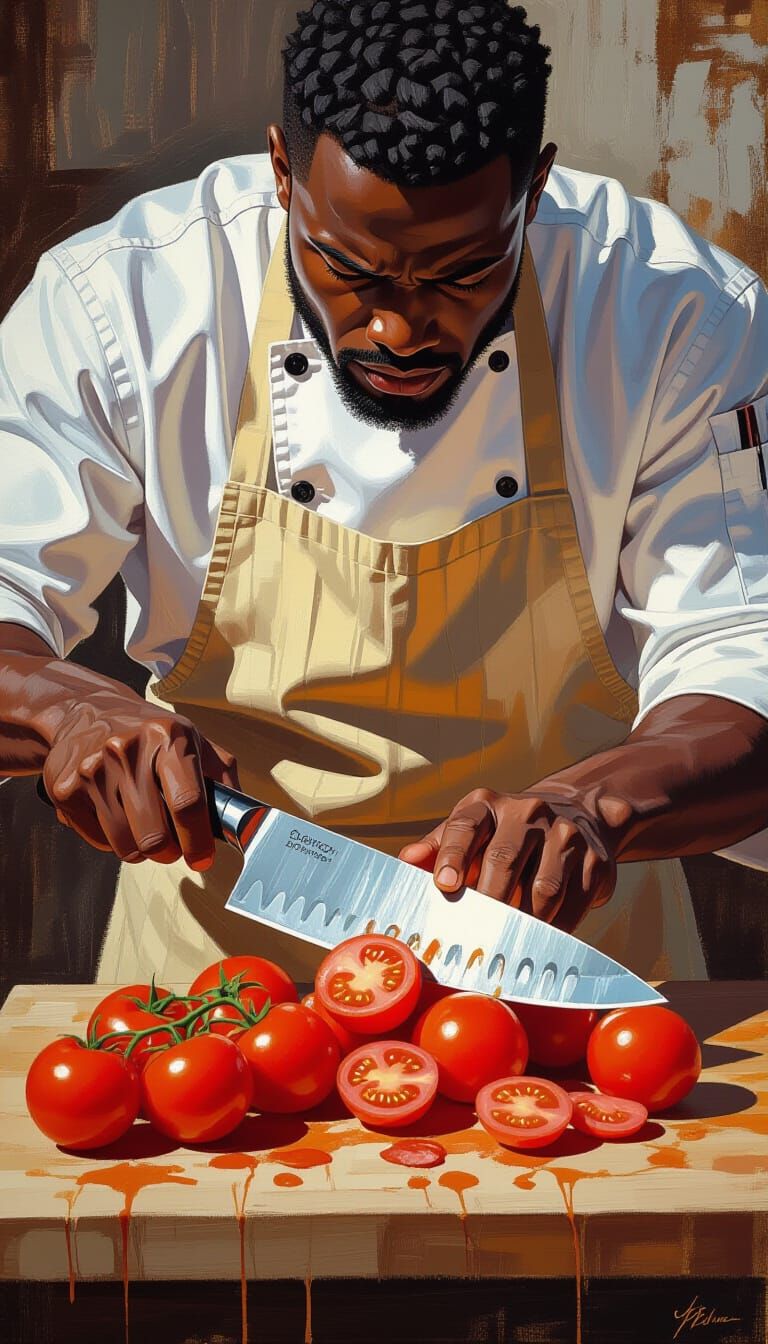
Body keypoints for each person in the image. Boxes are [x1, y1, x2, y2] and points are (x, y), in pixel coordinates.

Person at [1, 0, 767, 986]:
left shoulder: (676, 316)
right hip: (218, 991)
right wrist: (67, 710)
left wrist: (597, 806)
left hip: (562, 965)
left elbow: (744, 650)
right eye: (348, 269)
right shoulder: (123, 303)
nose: (398, 331)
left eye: (462, 272)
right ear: (282, 172)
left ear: (534, 191)